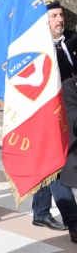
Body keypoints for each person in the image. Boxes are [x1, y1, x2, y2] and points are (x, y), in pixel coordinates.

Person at [30, 0, 77, 233]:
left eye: (61, 15)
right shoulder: (37, 47)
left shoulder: (73, 38)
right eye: (54, 16)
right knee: (57, 166)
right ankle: (74, 223)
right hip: (51, 115)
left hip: (73, 111)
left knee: (51, 166)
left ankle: (40, 212)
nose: (59, 20)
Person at [61, 74, 77, 243]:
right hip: (71, 149)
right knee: (58, 183)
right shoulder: (69, 86)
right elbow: (74, 123)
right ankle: (74, 226)